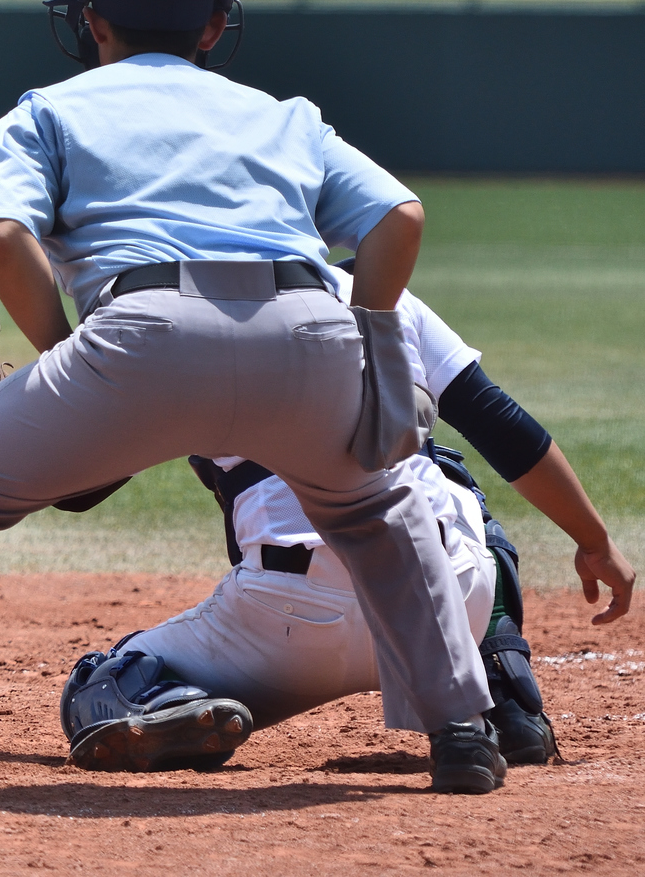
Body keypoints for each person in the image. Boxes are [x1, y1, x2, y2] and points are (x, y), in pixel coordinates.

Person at [0, 0, 504, 805]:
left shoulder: (47, 109)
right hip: (312, 334)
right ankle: (463, 734)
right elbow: (400, 220)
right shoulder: (284, 117)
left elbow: (4, 235)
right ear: (210, 31)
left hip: (142, 331)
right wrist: (378, 346)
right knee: (379, 505)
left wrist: (61, 361)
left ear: (93, 27)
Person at [57, 265, 634, 771]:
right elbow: (504, 429)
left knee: (101, 685)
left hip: (283, 632)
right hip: (446, 606)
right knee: (449, 481)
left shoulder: (172, 312)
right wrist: (593, 539)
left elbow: (76, 488)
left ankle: (172, 704)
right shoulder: (375, 289)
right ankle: (497, 687)